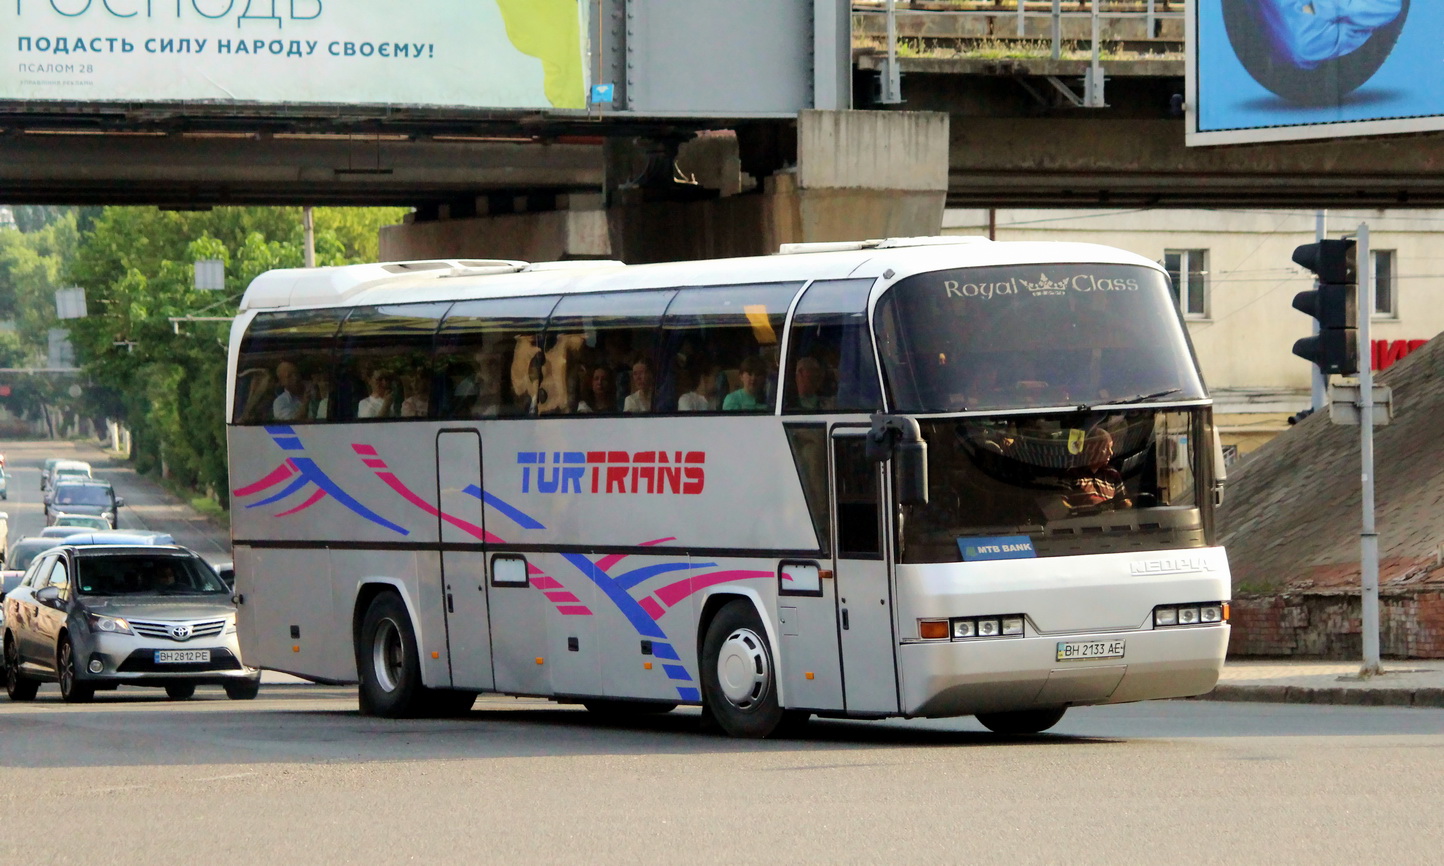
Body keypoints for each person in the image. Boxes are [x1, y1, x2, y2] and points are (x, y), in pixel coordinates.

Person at [1060, 428, 1130, 511]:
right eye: (1106, 448)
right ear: (1092, 449)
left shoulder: (1112, 474)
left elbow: (1124, 502)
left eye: (1111, 448)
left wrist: (1126, 504)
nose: (1111, 453)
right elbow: (1060, 503)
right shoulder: (1072, 473)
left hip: (1108, 522)